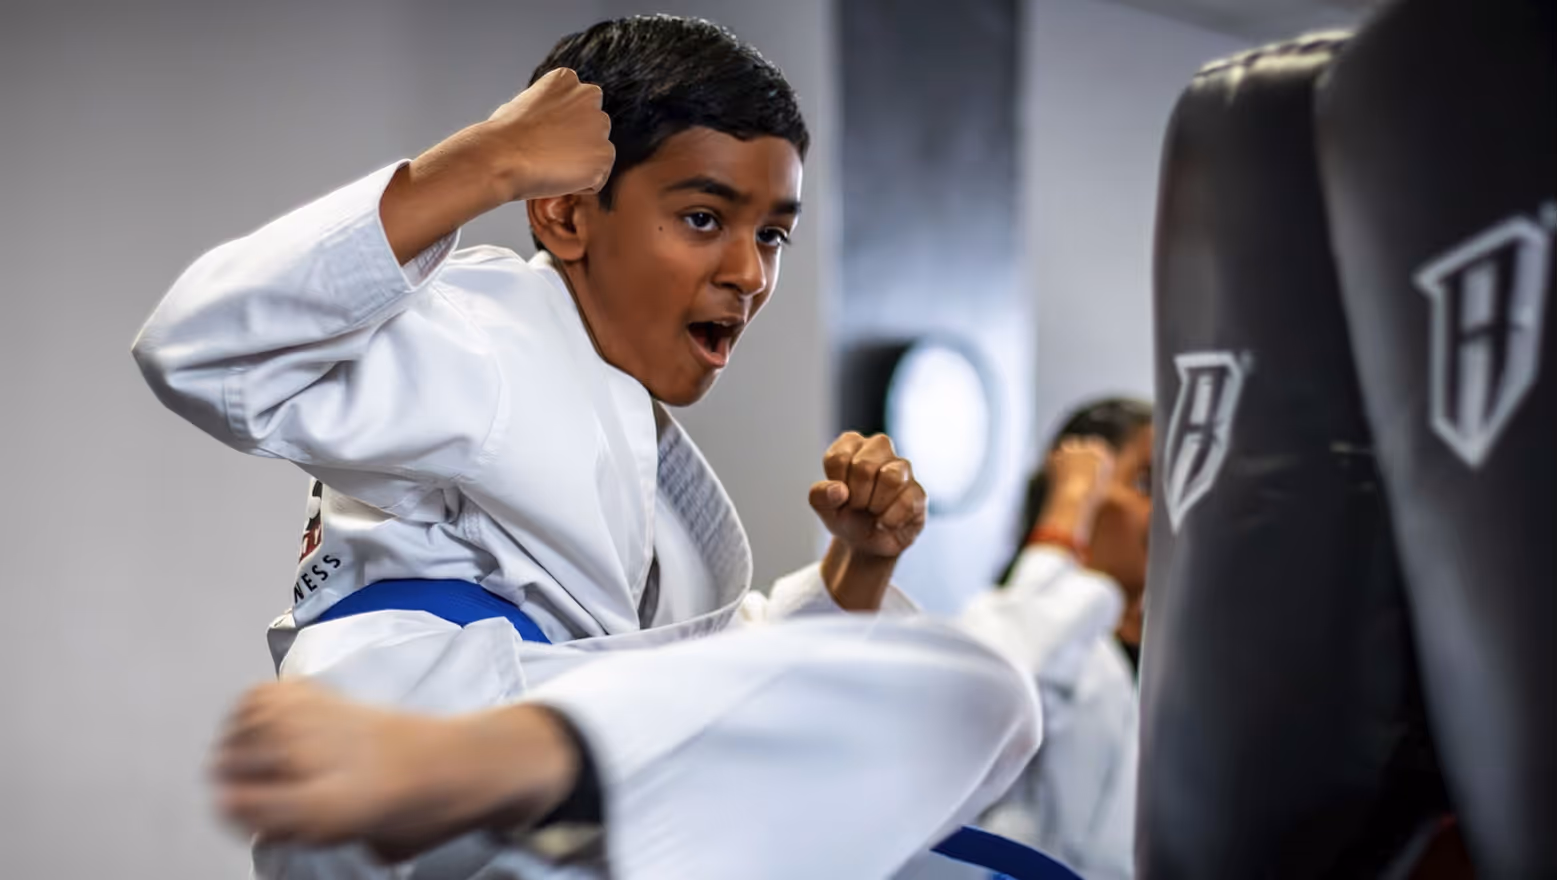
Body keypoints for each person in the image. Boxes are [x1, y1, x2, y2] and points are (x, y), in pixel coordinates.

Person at [134, 15, 1040, 879]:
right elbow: (202, 347)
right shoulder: (490, 334)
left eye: (771, 235)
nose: (748, 273)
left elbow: (704, 676)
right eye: (702, 218)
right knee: (975, 692)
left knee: (974, 711)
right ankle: (503, 759)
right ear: (566, 217)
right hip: (417, 756)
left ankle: (534, 761)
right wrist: (485, 162)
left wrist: (857, 570)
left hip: (516, 805)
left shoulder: (632, 458)